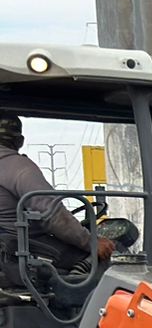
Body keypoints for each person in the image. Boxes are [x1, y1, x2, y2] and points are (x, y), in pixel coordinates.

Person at [0, 112, 113, 290]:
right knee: (101, 261)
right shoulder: (18, 166)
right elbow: (53, 216)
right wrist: (92, 242)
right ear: (19, 141)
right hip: (20, 247)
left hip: (8, 250)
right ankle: (78, 306)